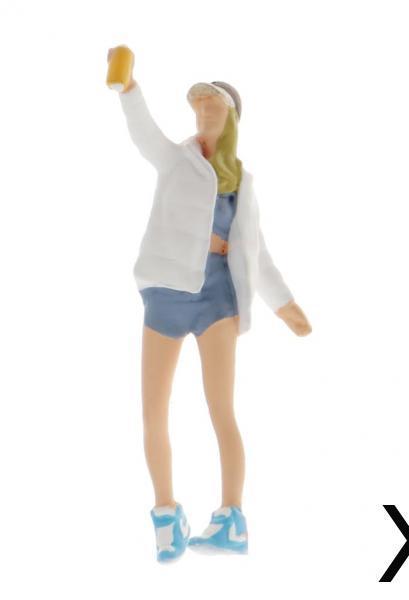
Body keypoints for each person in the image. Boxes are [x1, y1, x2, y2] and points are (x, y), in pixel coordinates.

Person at [107, 46, 312, 562]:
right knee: (153, 411)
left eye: (213, 108)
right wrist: (128, 88)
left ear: (232, 118)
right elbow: (143, 132)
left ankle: (231, 518)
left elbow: (255, 251)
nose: (202, 115)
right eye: (198, 107)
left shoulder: (242, 183)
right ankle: (165, 513)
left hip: (218, 297)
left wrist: (284, 304)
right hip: (166, 294)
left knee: (221, 408)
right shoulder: (175, 160)